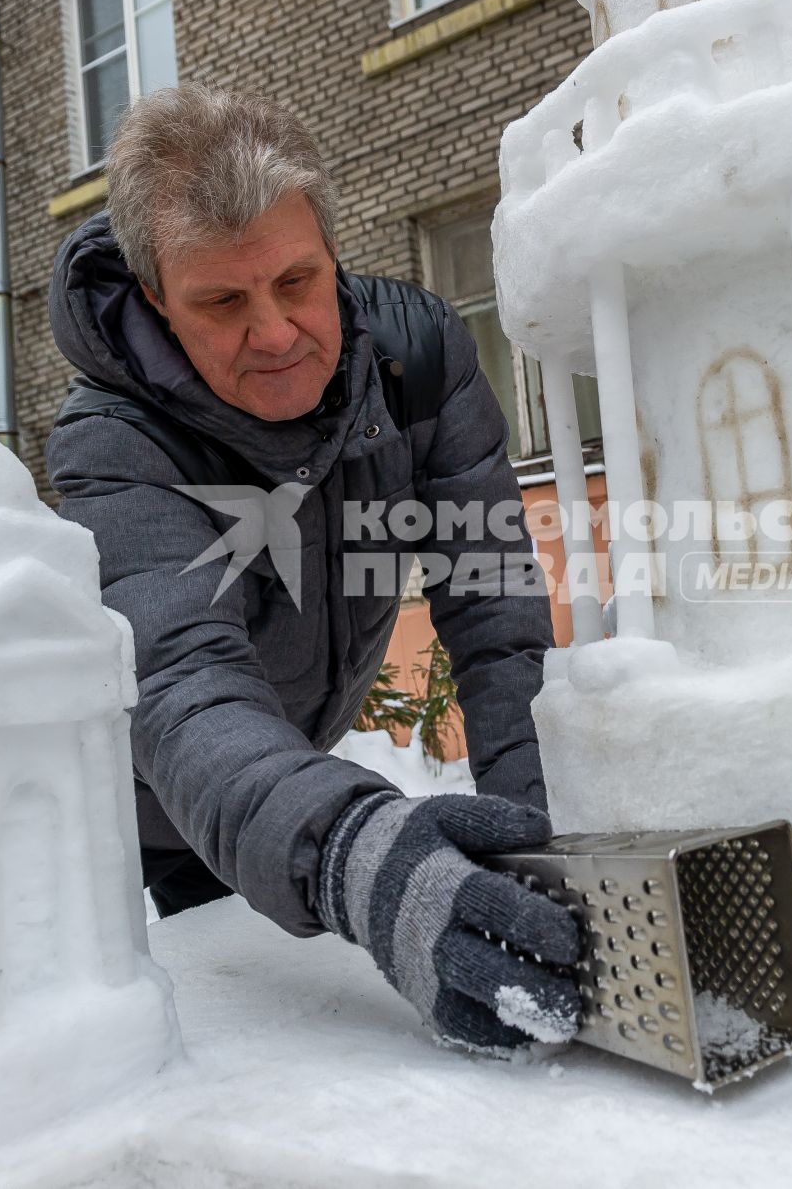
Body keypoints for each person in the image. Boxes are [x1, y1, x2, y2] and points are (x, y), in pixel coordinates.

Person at [46, 85, 580, 1053]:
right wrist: (360, 852)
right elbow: (184, 687)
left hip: (287, 773)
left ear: (333, 251)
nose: (278, 332)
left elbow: (494, 611)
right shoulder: (113, 441)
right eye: (222, 301)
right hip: (136, 813)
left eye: (298, 281)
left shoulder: (415, 355)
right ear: (160, 302)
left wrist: (542, 841)